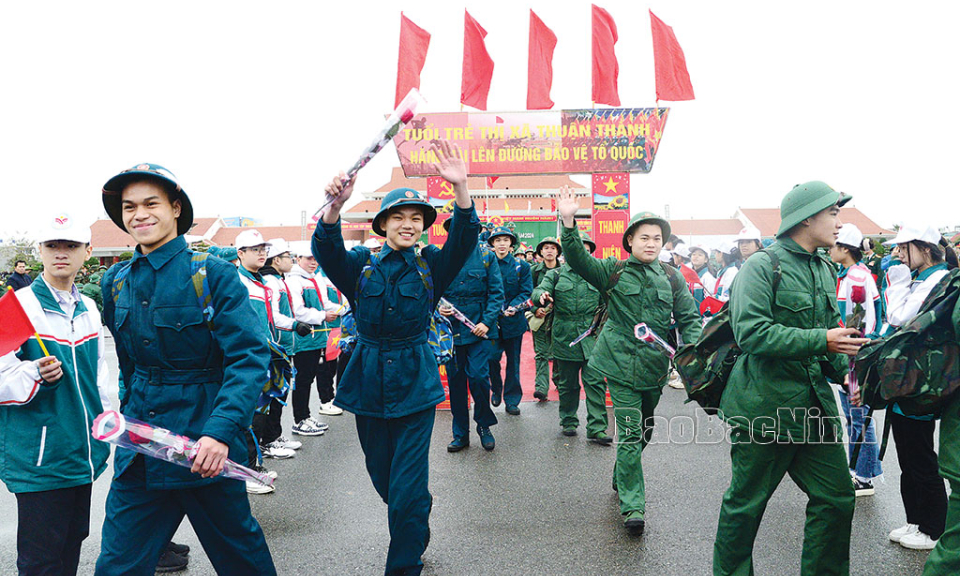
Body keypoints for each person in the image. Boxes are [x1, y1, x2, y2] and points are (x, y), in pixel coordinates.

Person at [96, 163, 276, 575]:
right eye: (128, 207)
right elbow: (129, 364)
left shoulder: (213, 274)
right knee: (116, 564)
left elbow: (249, 359)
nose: (138, 214)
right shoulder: (116, 281)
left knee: (241, 559)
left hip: (204, 449)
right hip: (141, 449)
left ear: (176, 208)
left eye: (150, 203)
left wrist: (220, 432)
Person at [314, 141, 479, 576]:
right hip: (367, 380)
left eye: (417, 219)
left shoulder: (431, 268)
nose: (408, 225)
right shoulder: (360, 267)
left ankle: (403, 563)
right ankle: (416, 511)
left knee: (405, 487)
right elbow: (326, 250)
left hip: (414, 382)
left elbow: (463, 239)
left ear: (424, 227)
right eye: (399, 218)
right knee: (383, 478)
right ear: (383, 224)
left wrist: (460, 188)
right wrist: (334, 207)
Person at [713, 181, 868, 576]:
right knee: (746, 505)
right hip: (765, 406)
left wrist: (852, 379)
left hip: (814, 408)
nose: (838, 223)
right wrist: (823, 340)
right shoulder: (762, 266)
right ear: (806, 217)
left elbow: (827, 338)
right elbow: (751, 333)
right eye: (832, 213)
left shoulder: (824, 267)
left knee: (836, 498)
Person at [556, 186, 701, 533]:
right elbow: (578, 259)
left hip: (653, 367)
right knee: (632, 433)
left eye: (657, 238)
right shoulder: (613, 272)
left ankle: (622, 473)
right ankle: (633, 507)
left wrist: (692, 350)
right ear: (630, 241)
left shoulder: (671, 276)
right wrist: (568, 221)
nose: (651, 243)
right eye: (644, 237)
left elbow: (689, 319)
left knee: (644, 431)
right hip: (618, 364)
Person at [0, 214, 111, 576]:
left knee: (73, 539)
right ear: (39, 251)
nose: (60, 254)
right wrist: (34, 373)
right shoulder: (17, 307)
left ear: (87, 252)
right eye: (52, 246)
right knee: (42, 558)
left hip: (83, 451)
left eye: (71, 246)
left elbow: (97, 375)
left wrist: (106, 422)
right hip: (40, 457)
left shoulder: (90, 308)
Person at [877, 223, 956, 554]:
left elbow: (900, 317)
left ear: (924, 248)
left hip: (921, 381)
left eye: (903, 247)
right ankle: (916, 518)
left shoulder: (941, 279)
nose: (897, 254)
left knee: (920, 455)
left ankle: (933, 527)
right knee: (907, 454)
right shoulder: (922, 277)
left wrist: (896, 286)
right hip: (905, 378)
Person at [531, 232, 610, 443]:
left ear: (590, 252)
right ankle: (568, 420)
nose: (579, 253)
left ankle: (597, 427)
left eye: (584, 249)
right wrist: (541, 297)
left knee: (595, 382)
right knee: (567, 384)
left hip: (592, 336)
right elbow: (539, 290)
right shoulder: (555, 274)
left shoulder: (597, 275)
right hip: (564, 336)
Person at [235, 229, 300, 464]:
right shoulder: (236, 282)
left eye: (264, 249)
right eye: (255, 249)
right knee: (248, 411)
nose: (262, 253)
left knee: (264, 407)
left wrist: (295, 325)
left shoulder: (264, 283)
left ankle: (257, 458)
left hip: (267, 356)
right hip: (246, 358)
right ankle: (249, 467)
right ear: (240, 253)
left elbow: (274, 318)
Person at [439, 217, 503, 452]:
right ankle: (460, 434)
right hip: (451, 332)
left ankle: (484, 425)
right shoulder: (443, 257)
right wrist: (439, 307)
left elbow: (496, 293)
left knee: (478, 378)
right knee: (456, 383)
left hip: (479, 331)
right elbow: (432, 289)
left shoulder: (487, 256)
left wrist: (487, 323)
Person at [828, 223, 883, 497]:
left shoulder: (856, 279)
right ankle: (859, 471)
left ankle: (863, 476)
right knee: (856, 416)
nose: (829, 249)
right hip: (855, 355)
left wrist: (852, 359)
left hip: (854, 357)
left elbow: (857, 324)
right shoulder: (853, 274)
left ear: (845, 249)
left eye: (833, 245)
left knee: (858, 416)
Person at [287, 242, 339, 436]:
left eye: (315, 258)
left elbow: (325, 303)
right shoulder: (294, 280)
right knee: (302, 379)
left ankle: (305, 416)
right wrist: (323, 316)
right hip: (303, 337)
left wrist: (342, 308)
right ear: (298, 259)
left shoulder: (315, 279)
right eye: (309, 258)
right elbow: (297, 311)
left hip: (317, 337)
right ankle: (299, 420)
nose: (313, 262)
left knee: (308, 378)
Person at [487, 225, 533, 416]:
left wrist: (514, 307)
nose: (502, 244)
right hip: (491, 322)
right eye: (498, 240)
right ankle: (496, 388)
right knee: (491, 359)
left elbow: (526, 291)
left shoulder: (521, 266)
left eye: (505, 240)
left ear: (512, 244)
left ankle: (512, 399)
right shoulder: (486, 264)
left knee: (513, 362)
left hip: (513, 322)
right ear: (492, 244)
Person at [530, 236, 561, 401]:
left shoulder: (565, 270)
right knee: (541, 354)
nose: (549, 251)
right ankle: (541, 388)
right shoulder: (534, 271)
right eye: (546, 248)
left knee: (558, 352)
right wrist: (535, 309)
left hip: (560, 318)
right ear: (540, 252)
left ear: (557, 252)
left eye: (553, 248)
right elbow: (527, 293)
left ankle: (558, 380)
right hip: (541, 319)